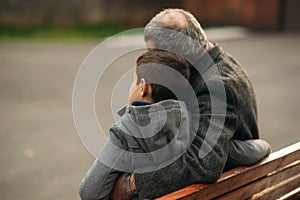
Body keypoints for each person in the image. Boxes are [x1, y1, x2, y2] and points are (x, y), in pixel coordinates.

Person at [110, 8, 271, 199]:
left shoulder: (217, 87)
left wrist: (133, 184)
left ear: (176, 54)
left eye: (155, 56)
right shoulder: (214, 62)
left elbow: (203, 163)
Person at [79, 49, 199, 200]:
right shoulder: (190, 122)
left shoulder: (125, 132)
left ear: (143, 87)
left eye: (133, 80)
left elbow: (90, 192)